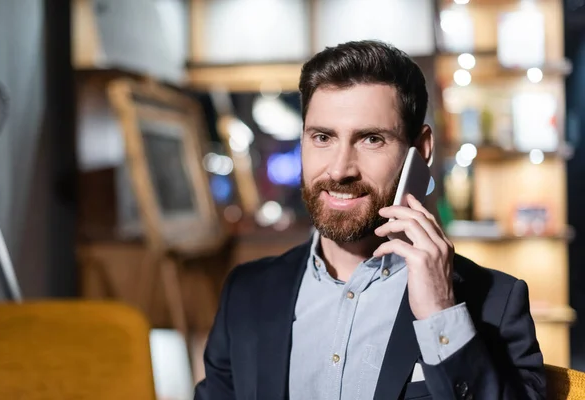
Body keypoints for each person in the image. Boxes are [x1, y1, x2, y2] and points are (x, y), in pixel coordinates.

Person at [194, 40, 545, 400]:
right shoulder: (246, 292)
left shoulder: (496, 302)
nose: (340, 169)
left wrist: (441, 318)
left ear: (421, 150)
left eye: (371, 139)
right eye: (322, 137)